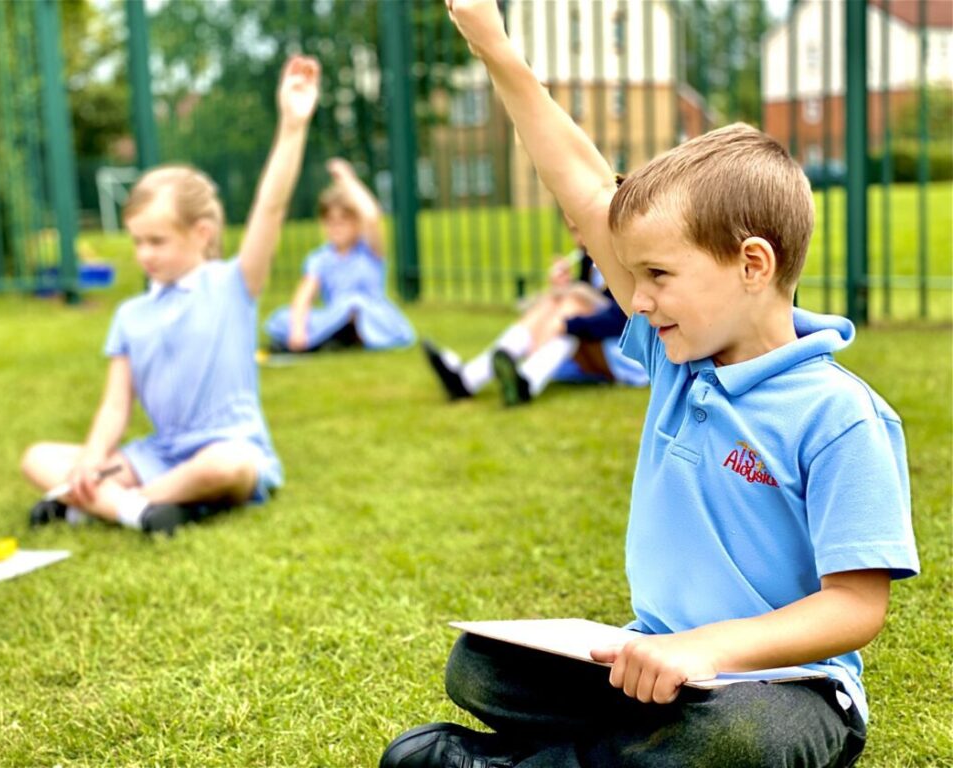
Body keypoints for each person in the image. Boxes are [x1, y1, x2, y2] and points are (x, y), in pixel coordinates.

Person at [379, 3, 919, 767]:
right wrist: (490, 44)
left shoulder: (842, 416)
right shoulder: (678, 357)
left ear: (752, 265)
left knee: (737, 742)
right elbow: (582, 188)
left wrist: (706, 652)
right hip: (649, 670)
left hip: (782, 690)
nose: (637, 298)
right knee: (478, 664)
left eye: (658, 275)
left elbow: (856, 607)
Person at [20, 55, 322, 535]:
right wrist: (91, 463)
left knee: (227, 467)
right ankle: (140, 509)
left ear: (202, 233)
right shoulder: (130, 314)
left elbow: (271, 207)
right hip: (156, 455)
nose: (144, 254)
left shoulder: (233, 284)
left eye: (156, 241)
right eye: (137, 241)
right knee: (39, 458)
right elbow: (116, 406)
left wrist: (291, 125)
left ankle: (114, 505)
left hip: (227, 447)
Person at [422, 217, 647, 407]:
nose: (579, 239)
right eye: (573, 230)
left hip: (626, 354)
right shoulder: (589, 257)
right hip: (598, 346)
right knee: (554, 302)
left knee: (571, 306)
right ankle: (480, 378)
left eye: (583, 227)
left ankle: (513, 378)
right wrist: (562, 289)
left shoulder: (623, 259)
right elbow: (591, 301)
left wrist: (567, 323)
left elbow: (623, 320)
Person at [263, 158, 415, 353]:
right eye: (330, 221)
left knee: (353, 303)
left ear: (357, 223)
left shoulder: (369, 251)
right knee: (285, 318)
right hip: (335, 316)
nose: (336, 228)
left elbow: (371, 215)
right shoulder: (320, 259)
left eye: (344, 221)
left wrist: (348, 180)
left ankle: (343, 337)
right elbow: (304, 296)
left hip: (370, 316)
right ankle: (332, 337)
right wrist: (298, 330)